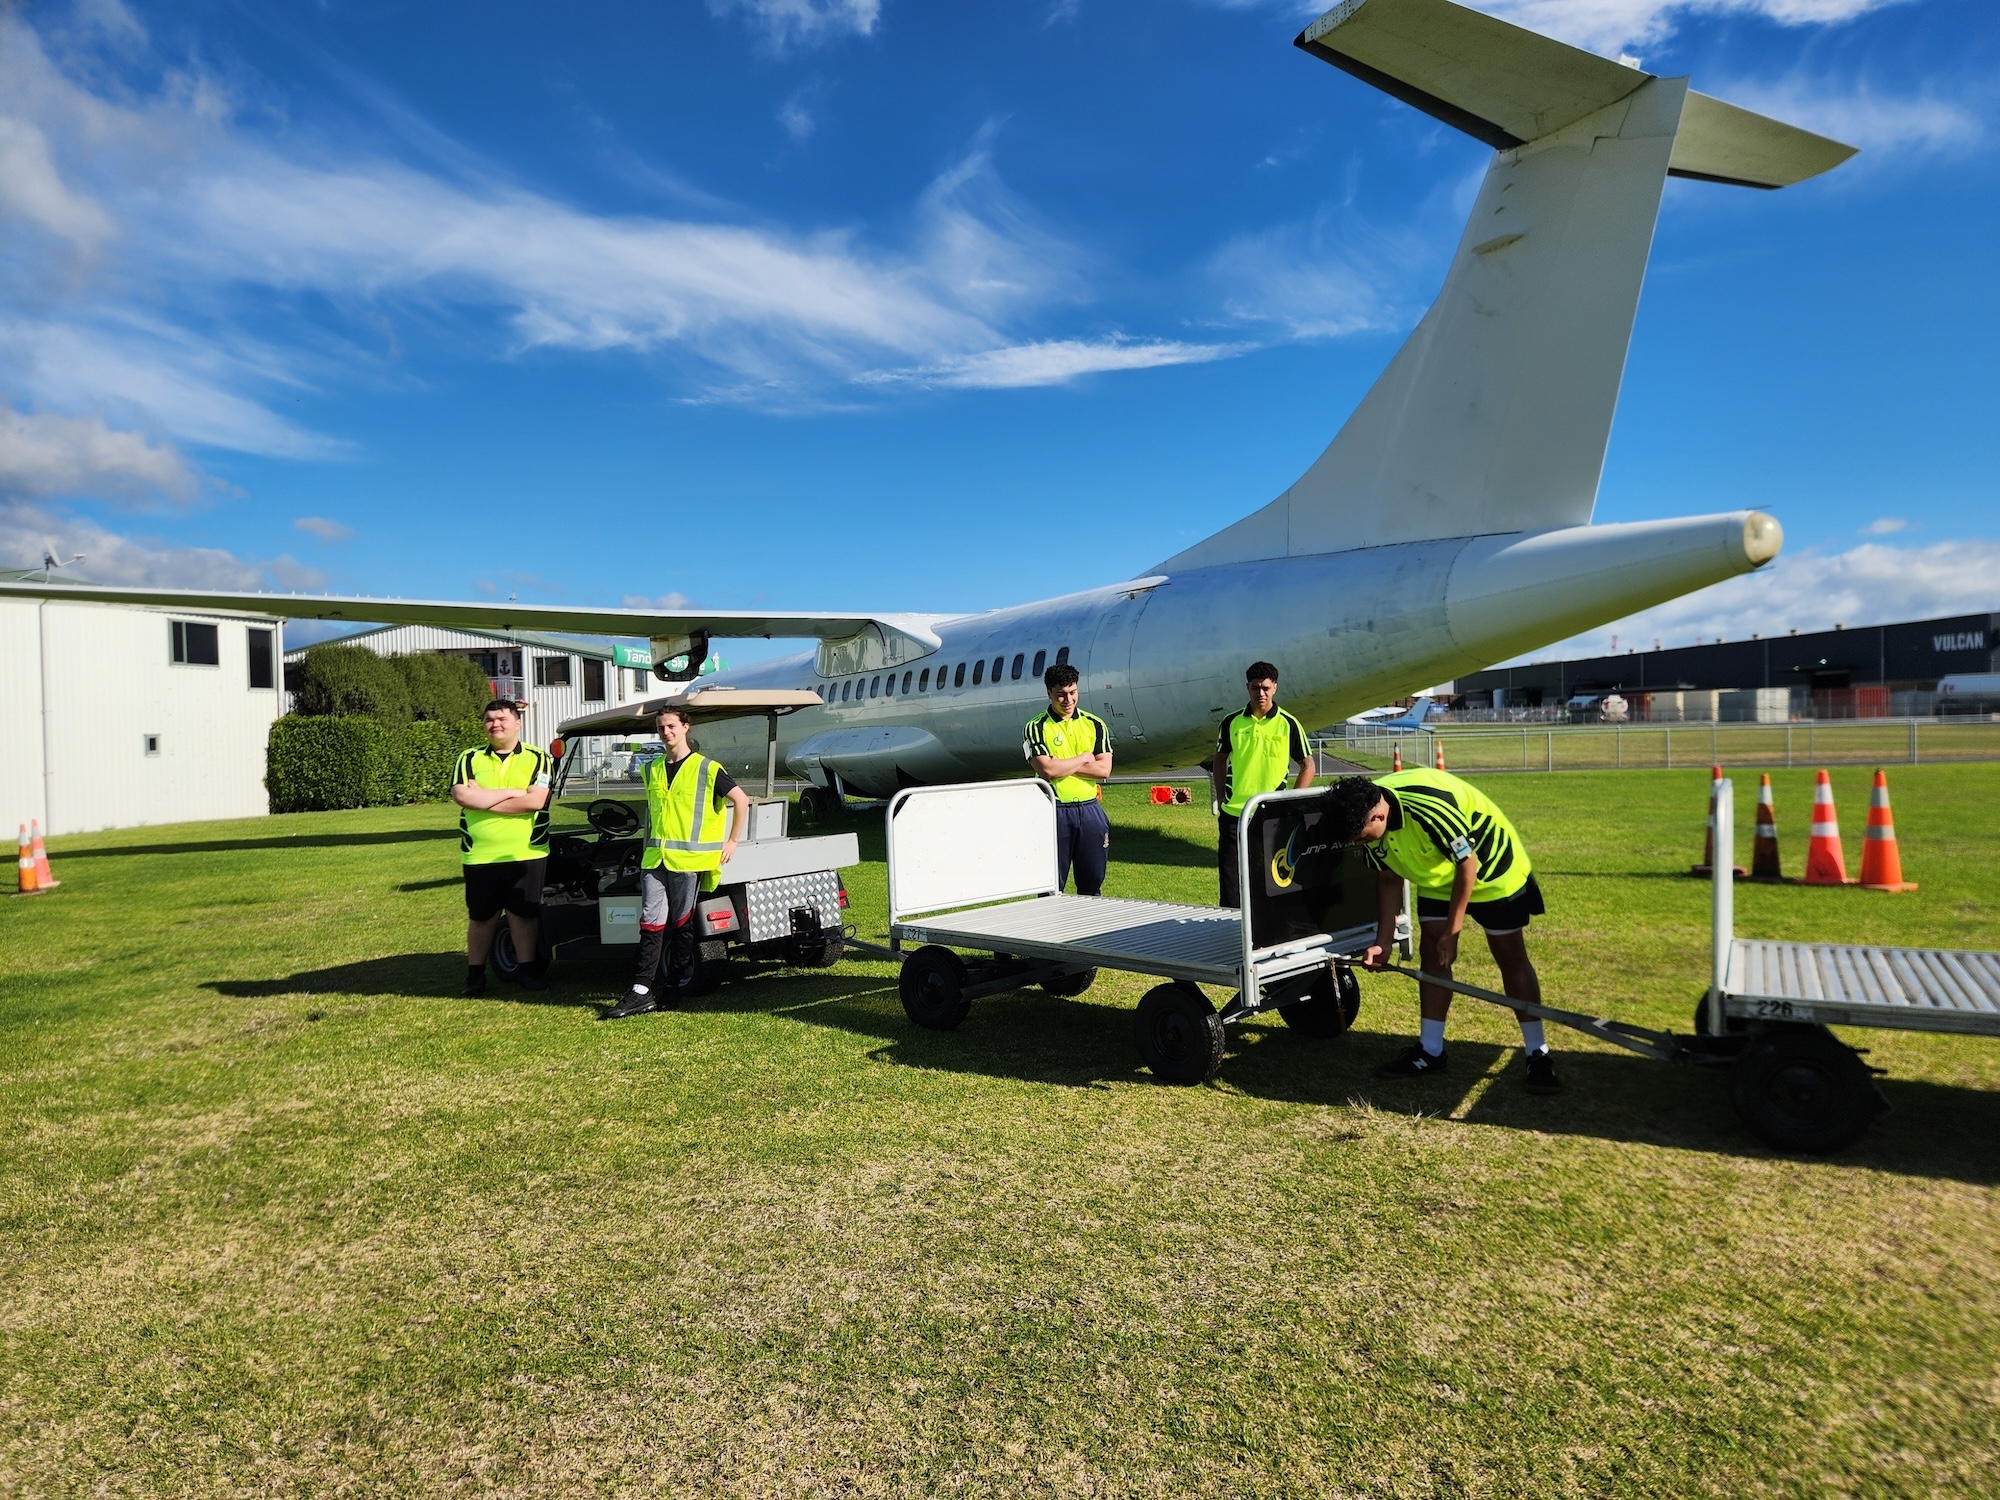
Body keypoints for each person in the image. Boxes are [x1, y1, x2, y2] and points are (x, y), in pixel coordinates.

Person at [1323, 769, 1560, 1094]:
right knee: (1432, 955)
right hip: (1437, 871)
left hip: (1491, 871)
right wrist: (1383, 942)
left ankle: (1538, 1053)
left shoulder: (1428, 807)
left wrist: (1453, 930)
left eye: (1363, 837)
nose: (1360, 843)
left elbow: (1468, 866)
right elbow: (1389, 878)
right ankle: (1431, 1050)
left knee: (1510, 956)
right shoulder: (1364, 818)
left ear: (1379, 814)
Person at [604, 704, 752, 1020]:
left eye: (671, 726)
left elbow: (741, 799)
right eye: (661, 728)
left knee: (682, 924)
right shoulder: (651, 769)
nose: (666, 732)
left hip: (688, 861)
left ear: (686, 727)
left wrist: (733, 840)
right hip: (655, 858)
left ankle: (671, 986)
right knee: (650, 923)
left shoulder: (707, 768)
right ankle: (641, 991)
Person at [451, 699, 553, 997]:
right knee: (481, 916)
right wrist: (513, 793)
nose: (495, 724)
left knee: (523, 915)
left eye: (502, 719)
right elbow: (463, 797)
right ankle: (475, 976)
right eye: (489, 720)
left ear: (517, 723)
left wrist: (485, 798)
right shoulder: (467, 758)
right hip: (480, 853)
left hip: (527, 852)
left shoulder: (538, 758)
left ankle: (527, 971)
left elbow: (535, 801)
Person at [1211, 660, 1315, 907]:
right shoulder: (1231, 722)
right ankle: (1230, 932)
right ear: (1247, 687)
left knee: (1269, 881)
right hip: (1234, 816)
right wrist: (1221, 797)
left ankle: (1268, 934)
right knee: (1230, 883)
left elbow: (1308, 766)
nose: (1261, 693)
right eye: (1255, 687)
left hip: (1271, 818)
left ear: (1275, 688)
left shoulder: (1289, 723)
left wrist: (1290, 804)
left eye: (1266, 688)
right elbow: (1219, 760)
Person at [1024, 662, 1113, 896]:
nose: (1068, 700)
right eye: (1060, 695)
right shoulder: (1036, 727)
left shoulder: (1095, 724)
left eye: (1072, 692)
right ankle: (1050, 931)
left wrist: (1062, 764)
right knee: (1051, 886)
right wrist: (1084, 758)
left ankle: (1090, 931)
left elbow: (1104, 770)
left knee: (1092, 883)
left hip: (1090, 809)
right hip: (1055, 810)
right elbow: (1047, 771)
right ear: (1049, 693)